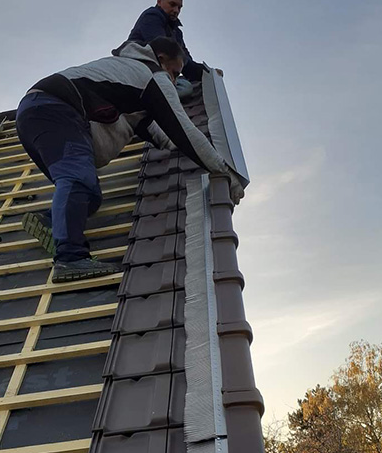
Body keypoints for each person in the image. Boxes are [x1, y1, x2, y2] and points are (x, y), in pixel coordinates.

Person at [16, 37, 244, 283]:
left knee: (89, 196)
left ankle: (49, 221)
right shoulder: (150, 76)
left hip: (32, 114)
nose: (176, 81)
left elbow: (162, 134)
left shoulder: (128, 81)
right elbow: (183, 131)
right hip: (55, 109)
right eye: (175, 72)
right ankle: (69, 258)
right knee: (77, 180)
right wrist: (225, 172)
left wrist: (196, 145)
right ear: (161, 59)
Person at [117, 0, 221, 99]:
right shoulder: (152, 16)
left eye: (179, 7)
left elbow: (185, 60)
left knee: (187, 85)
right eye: (172, 5)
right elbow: (164, 50)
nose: (176, 10)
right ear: (159, 1)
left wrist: (209, 73)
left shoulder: (177, 32)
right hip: (139, 70)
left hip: (159, 73)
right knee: (185, 87)